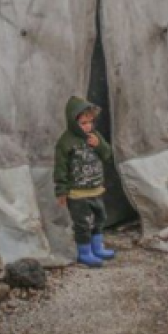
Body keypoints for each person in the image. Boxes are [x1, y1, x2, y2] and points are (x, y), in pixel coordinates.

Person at [54, 96, 117, 268]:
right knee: (82, 223)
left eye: (90, 122)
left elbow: (108, 155)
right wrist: (61, 191)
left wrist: (99, 145)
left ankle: (97, 248)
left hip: (95, 189)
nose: (88, 126)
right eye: (83, 123)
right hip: (77, 193)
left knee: (100, 218)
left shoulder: (95, 136)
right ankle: (84, 252)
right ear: (73, 122)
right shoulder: (66, 142)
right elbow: (61, 168)